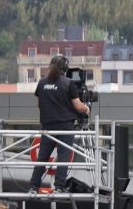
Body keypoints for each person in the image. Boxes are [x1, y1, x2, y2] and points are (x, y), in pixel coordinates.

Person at [29, 54, 89, 193]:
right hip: (65, 126)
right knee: (63, 157)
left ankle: (33, 186)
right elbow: (78, 107)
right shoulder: (68, 83)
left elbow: (38, 104)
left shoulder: (42, 82)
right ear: (65, 68)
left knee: (42, 157)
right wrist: (87, 108)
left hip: (47, 126)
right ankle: (59, 186)